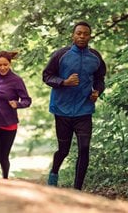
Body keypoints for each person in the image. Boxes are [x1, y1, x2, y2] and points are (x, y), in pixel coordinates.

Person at [42, 21, 106, 190]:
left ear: (90, 36)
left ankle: (77, 189)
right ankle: (54, 173)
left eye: (85, 33)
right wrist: (64, 82)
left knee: (84, 148)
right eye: (78, 33)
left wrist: (97, 91)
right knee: (64, 150)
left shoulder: (95, 57)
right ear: (73, 35)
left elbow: (100, 80)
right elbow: (47, 76)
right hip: (62, 109)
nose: (82, 36)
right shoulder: (60, 55)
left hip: (84, 110)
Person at [0, 51, 32, 179]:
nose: (2, 68)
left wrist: (17, 104)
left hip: (9, 123)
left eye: (5, 65)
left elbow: (27, 100)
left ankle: (5, 181)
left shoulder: (16, 80)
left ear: (10, 64)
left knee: (4, 156)